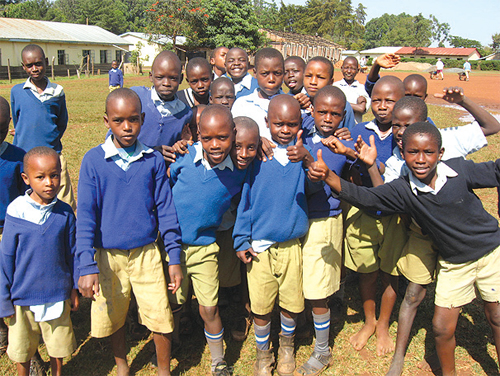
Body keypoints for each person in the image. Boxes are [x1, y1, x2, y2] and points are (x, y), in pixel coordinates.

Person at [314, 121, 500, 376]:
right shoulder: (404, 189)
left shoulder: (459, 170)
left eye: (429, 152)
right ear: (402, 154)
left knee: (496, 317)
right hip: (455, 263)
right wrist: (330, 176)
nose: (421, 159)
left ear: (441, 153)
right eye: (413, 152)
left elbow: (495, 171)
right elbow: (368, 198)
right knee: (442, 329)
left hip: (491, 253)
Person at [380, 90, 500, 376]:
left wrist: (463, 102)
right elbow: (384, 197)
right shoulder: (397, 160)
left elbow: (492, 127)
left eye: (409, 126)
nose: (401, 132)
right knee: (413, 293)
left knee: (489, 307)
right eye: (397, 126)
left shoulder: (450, 139)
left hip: (459, 232)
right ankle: (399, 355)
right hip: (423, 231)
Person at [77, 89, 182, 376]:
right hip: (108, 256)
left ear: (143, 119)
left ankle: (163, 369)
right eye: (119, 120)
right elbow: (85, 216)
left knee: (160, 315)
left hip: (146, 254)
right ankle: (122, 364)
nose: (127, 127)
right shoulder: (94, 161)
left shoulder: (153, 160)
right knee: (115, 314)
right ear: (106, 121)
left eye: (134, 120)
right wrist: (86, 264)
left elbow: (166, 211)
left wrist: (173, 257)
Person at [233, 95, 314, 376]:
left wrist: (308, 158)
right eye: (278, 123)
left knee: (291, 303)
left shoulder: (301, 155)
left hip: (291, 246)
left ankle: (287, 348)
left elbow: (317, 182)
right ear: (267, 123)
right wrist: (241, 239)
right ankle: (263, 354)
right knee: (261, 306)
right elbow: (245, 203)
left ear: (300, 124)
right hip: (259, 249)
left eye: (292, 124)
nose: (284, 129)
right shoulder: (257, 158)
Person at [169, 105, 247, 376]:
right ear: (197, 135)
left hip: (205, 245)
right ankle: (174, 344)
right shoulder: (185, 156)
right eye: (207, 138)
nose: (215, 145)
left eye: (223, 138)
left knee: (209, 306)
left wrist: (262, 144)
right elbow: (168, 181)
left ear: (233, 134)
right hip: (173, 246)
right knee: (175, 301)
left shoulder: (239, 169)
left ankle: (218, 361)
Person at [343, 76, 408, 356]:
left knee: (390, 272)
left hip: (394, 216)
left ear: (402, 102)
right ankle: (369, 321)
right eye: (377, 100)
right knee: (367, 272)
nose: (381, 106)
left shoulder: (407, 134)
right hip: (365, 211)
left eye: (389, 100)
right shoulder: (358, 129)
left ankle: (383, 324)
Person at [0, 146, 79, 376]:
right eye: (40, 177)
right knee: (22, 351)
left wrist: (73, 289)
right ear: (26, 179)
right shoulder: (16, 212)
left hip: (57, 295)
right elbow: (6, 259)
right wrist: (5, 299)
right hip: (22, 298)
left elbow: (71, 253)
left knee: (58, 347)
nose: (49, 183)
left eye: (54, 175)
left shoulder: (64, 213)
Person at [294, 86, 354, 376]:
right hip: (297, 217)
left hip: (325, 219)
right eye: (322, 112)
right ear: (312, 112)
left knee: (318, 290)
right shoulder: (301, 135)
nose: (328, 118)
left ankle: (322, 350)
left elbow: (364, 167)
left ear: (344, 116)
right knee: (302, 278)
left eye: (335, 114)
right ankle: (305, 326)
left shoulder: (343, 145)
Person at [11, 44, 76, 211]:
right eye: (29, 65)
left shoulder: (57, 91)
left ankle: (66, 231)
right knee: (26, 197)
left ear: (46, 62)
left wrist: (50, 139)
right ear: (23, 66)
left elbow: (61, 122)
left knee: (62, 198)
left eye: (38, 63)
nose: (35, 69)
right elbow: (18, 120)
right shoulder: (17, 92)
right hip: (24, 154)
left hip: (53, 153)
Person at [130, 51, 193, 164]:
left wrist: (180, 146)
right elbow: (115, 139)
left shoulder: (185, 114)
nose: (166, 83)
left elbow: (179, 148)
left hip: (162, 177)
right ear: (151, 76)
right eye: (160, 77)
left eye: (173, 78)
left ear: (181, 78)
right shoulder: (136, 98)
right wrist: (152, 153)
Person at [0, 97, 25, 358]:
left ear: (9, 125)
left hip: (11, 231)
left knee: (11, 281)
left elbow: (25, 197)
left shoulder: (18, 158)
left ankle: (17, 327)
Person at [231, 47, 285, 140]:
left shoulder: (291, 104)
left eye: (277, 73)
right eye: (265, 73)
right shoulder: (242, 105)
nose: (271, 79)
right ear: (255, 73)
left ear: (284, 74)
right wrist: (257, 141)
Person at [301, 56, 356, 133]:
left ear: (331, 82)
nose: (313, 82)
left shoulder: (343, 106)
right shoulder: (297, 104)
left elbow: (351, 133)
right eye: (308, 76)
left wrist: (346, 135)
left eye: (320, 77)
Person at [333, 56, 371, 124]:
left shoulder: (361, 88)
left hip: (354, 128)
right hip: (337, 127)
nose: (349, 71)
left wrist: (340, 103)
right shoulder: (335, 87)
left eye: (353, 68)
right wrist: (355, 106)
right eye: (346, 68)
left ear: (357, 70)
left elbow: (362, 109)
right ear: (341, 68)